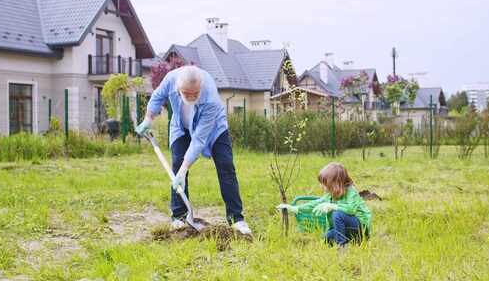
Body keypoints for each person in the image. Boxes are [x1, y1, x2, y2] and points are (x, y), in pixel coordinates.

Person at [135, 65, 251, 235]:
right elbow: (158, 96)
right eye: (186, 94)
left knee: (226, 166)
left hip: (213, 129)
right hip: (181, 126)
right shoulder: (170, 80)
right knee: (176, 163)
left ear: (201, 86)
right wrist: (148, 119)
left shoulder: (209, 97)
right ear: (178, 88)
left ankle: (236, 219)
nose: (190, 97)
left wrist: (184, 169)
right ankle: (179, 217)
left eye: (194, 94)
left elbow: (199, 140)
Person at [277, 163, 371, 246]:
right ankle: (349, 242)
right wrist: (295, 208)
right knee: (327, 237)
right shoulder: (330, 195)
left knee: (337, 214)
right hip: (347, 230)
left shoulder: (351, 192)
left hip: (360, 229)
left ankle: (342, 246)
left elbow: (351, 209)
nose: (321, 186)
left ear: (334, 183)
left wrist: (332, 206)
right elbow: (315, 203)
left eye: (324, 183)